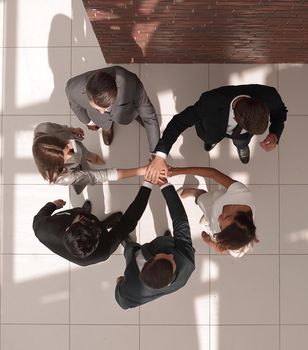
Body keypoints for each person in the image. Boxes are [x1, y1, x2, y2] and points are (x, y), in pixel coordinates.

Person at [146, 84, 288, 182]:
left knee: (242, 141)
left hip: (242, 135)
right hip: (211, 130)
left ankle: (241, 146)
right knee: (210, 137)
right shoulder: (210, 102)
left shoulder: (270, 95)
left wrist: (274, 134)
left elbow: (280, 113)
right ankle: (211, 142)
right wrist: (160, 155)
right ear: (235, 118)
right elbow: (179, 122)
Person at [115, 179, 195, 309]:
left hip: (137, 257)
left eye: (166, 257)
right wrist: (165, 185)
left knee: (130, 249)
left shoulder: (130, 291)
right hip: (167, 245)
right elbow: (181, 222)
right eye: (171, 260)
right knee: (169, 243)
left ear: (149, 261)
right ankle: (167, 240)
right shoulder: (186, 262)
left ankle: (128, 242)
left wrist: (119, 283)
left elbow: (123, 302)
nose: (171, 256)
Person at [33, 185, 160, 266]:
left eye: (83, 220)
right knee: (120, 228)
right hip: (100, 236)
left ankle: (93, 217)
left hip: (73, 221)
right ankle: (105, 225)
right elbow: (129, 221)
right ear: (97, 241)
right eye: (91, 223)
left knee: (87, 216)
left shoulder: (42, 228)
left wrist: (53, 205)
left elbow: (39, 216)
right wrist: (148, 184)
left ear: (68, 228)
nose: (91, 220)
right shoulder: (103, 251)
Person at [168, 166, 258, 258]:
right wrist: (175, 171)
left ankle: (200, 202)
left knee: (204, 205)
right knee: (203, 198)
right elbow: (212, 173)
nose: (219, 218)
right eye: (227, 217)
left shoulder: (237, 246)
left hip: (214, 220)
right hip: (220, 199)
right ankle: (196, 192)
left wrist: (211, 243)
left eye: (221, 227)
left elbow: (221, 248)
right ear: (240, 216)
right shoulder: (241, 193)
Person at [32, 122, 146, 194]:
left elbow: (62, 130)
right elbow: (100, 175)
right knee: (81, 160)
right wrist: (140, 171)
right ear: (58, 164)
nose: (71, 145)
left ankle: (90, 157)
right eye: (66, 154)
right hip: (74, 168)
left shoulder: (43, 128)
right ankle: (89, 158)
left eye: (65, 144)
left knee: (82, 151)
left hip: (74, 157)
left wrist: (71, 130)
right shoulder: (62, 177)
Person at [65, 65, 160, 151]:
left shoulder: (131, 84)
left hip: (127, 110)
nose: (102, 112)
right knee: (103, 120)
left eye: (105, 108)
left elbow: (149, 118)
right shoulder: (73, 89)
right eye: (97, 108)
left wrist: (156, 154)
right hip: (99, 120)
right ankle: (107, 128)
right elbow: (75, 106)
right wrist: (88, 122)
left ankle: (136, 114)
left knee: (136, 112)